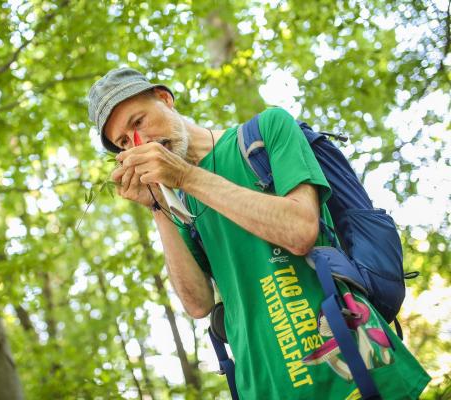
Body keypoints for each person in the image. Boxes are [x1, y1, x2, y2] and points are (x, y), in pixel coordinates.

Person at [87, 67, 430, 399]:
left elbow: (300, 231)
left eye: (139, 121)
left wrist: (186, 177)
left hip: (354, 366)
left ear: (164, 99)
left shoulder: (265, 131)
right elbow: (197, 304)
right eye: (123, 143)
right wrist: (158, 207)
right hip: (264, 384)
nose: (138, 142)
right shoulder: (178, 203)